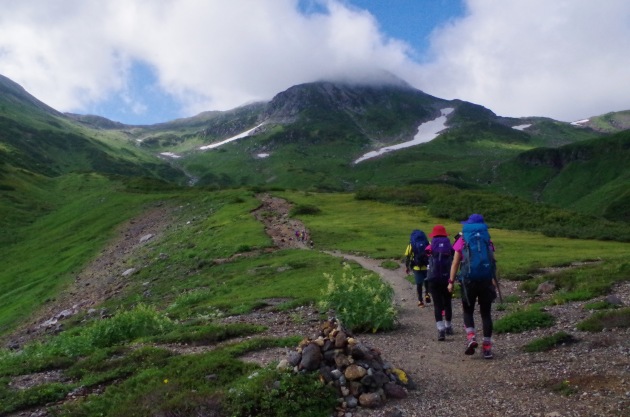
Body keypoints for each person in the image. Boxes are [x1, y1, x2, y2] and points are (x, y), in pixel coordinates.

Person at [448, 214, 497, 359]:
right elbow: (492, 262)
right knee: (486, 313)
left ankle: (471, 338)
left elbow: (455, 263)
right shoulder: (487, 240)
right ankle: (487, 348)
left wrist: (450, 282)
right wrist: (493, 281)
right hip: (486, 280)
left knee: (468, 311)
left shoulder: (462, 240)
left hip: (468, 281)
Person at [426, 224, 454, 341]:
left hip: (433, 278)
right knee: (447, 302)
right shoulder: (449, 244)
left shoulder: (431, 244)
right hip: (447, 279)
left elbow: (426, 256)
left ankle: (441, 330)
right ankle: (448, 326)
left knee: (437, 305)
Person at [404, 230, 431, 308]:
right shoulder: (427, 243)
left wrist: (407, 267)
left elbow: (407, 256)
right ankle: (427, 294)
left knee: (419, 284)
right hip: (426, 266)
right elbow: (431, 254)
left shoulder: (411, 244)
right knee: (426, 281)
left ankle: (420, 301)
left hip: (416, 267)